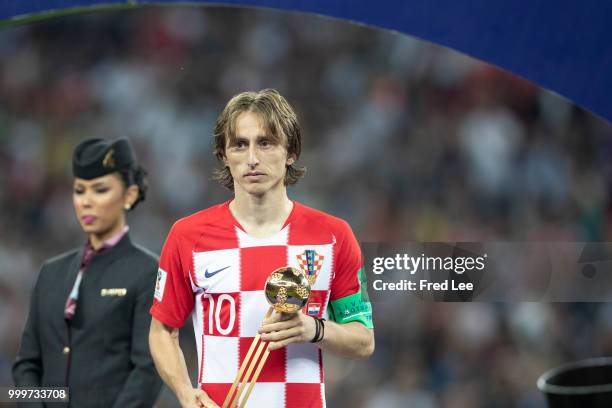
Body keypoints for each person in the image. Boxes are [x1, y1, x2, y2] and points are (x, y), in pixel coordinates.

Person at [149, 89, 375, 408]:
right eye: (240, 145)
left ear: (291, 151)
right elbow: (161, 331)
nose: (252, 158)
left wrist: (312, 328)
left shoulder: (333, 235)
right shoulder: (187, 236)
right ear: (224, 156)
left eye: (265, 142)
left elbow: (363, 340)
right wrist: (186, 394)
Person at [13, 138, 163, 407]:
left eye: (100, 189)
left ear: (128, 196)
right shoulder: (51, 272)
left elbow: (148, 370)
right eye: (79, 191)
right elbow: (27, 365)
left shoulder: (147, 272)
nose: (86, 202)